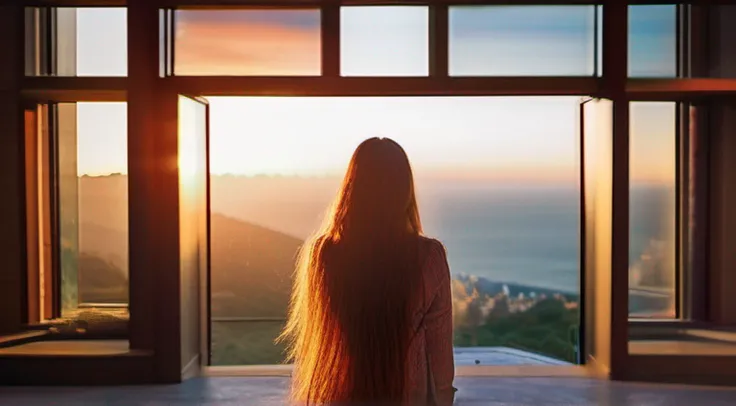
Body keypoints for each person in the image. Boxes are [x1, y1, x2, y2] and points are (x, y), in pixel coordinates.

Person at [279, 137, 455, 405]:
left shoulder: (324, 255)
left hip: (340, 395)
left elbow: (316, 344)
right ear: (405, 189)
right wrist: (444, 395)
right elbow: (440, 350)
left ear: (352, 187)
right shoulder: (429, 257)